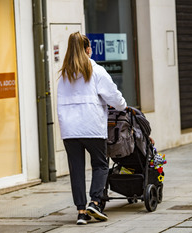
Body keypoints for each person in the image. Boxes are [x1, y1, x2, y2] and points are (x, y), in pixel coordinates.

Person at [57, 32, 127, 225]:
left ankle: (81, 212)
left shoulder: (64, 75)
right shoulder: (96, 71)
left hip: (70, 131)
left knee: (76, 169)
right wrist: (123, 106)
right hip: (91, 127)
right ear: (88, 50)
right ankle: (94, 202)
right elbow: (114, 96)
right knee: (100, 165)